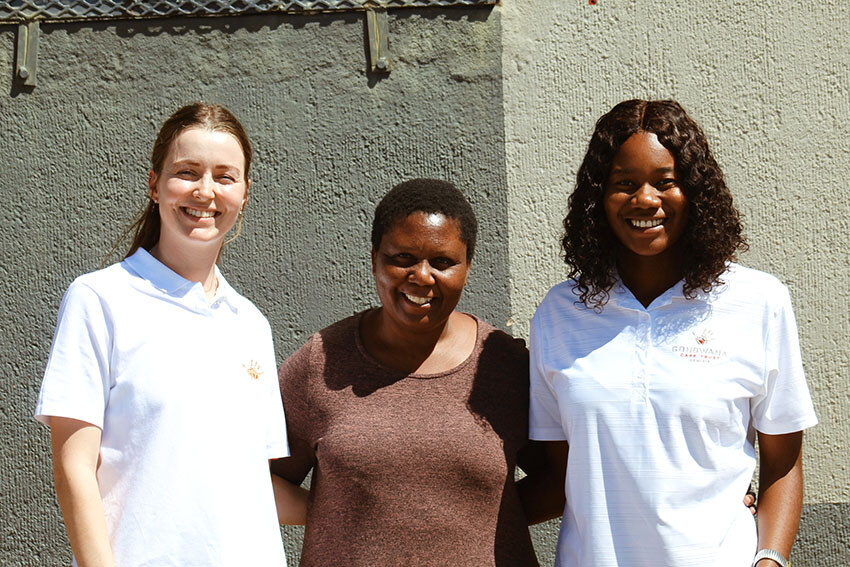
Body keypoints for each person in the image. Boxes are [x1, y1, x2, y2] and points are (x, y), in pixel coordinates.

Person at [529, 99, 817, 567]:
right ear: (598, 198)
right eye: (624, 184)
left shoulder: (758, 302)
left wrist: (770, 559)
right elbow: (564, 469)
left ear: (695, 193)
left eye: (666, 182)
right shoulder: (561, 312)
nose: (645, 199)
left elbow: (782, 462)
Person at [35, 103, 306, 566]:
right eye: (187, 172)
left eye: (225, 176)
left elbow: (248, 484)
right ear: (154, 185)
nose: (205, 191)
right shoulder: (100, 299)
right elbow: (74, 468)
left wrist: (362, 507)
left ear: (244, 193)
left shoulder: (251, 324)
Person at [272, 178, 544, 566]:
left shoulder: (505, 365)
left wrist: (482, 523)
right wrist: (342, 517)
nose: (422, 276)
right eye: (402, 258)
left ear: (468, 266)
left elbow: (562, 479)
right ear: (374, 259)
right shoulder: (321, 363)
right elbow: (258, 482)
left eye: (443, 261)